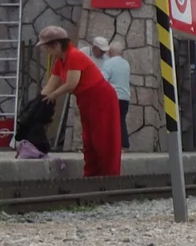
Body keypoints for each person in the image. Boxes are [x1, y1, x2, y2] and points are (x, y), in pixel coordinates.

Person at [37, 25, 121, 177]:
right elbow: (50, 86)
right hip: (86, 99)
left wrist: (53, 96)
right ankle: (92, 174)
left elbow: (71, 84)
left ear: (56, 45)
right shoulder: (60, 61)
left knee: (102, 137)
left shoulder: (73, 56)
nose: (45, 51)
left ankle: (109, 174)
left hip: (100, 97)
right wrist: (38, 102)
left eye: (46, 47)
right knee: (88, 139)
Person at [93, 36, 132, 149]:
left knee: (109, 122)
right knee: (121, 120)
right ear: (122, 53)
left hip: (113, 97)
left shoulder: (108, 63)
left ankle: (110, 145)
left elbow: (102, 80)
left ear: (109, 52)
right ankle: (124, 144)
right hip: (125, 97)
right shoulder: (126, 64)